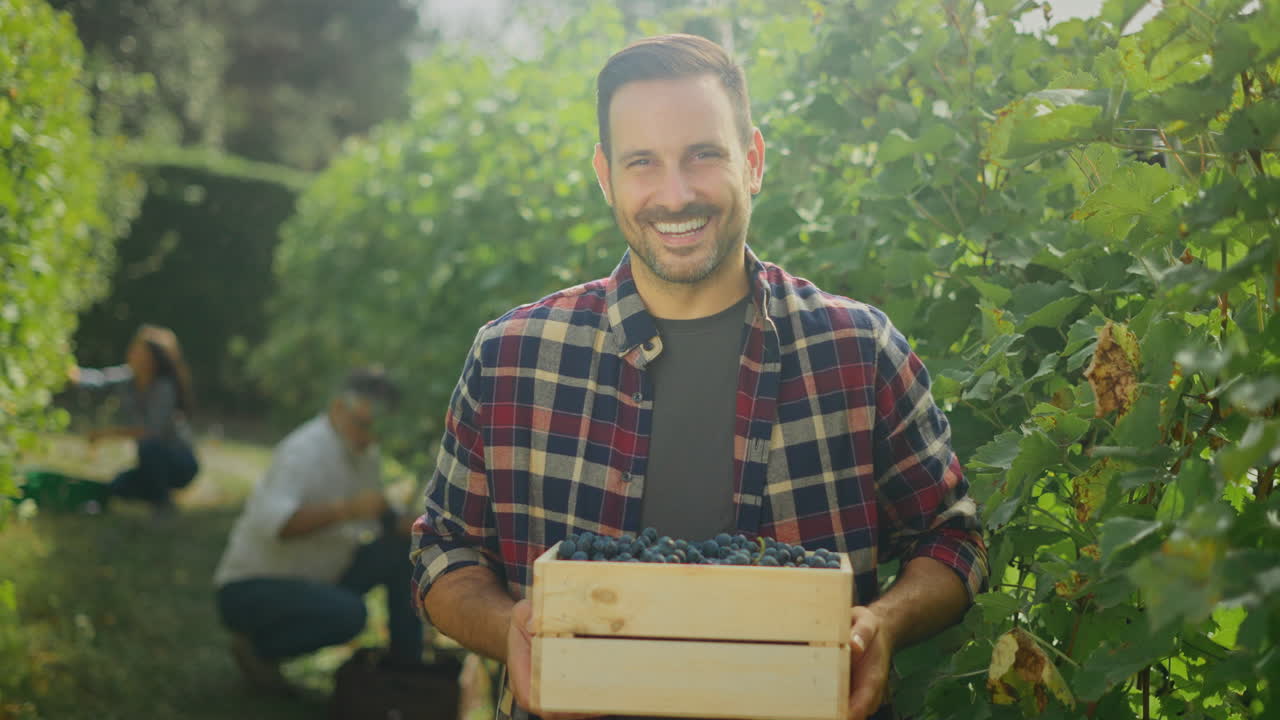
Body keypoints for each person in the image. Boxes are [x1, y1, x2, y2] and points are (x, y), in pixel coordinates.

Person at [411, 34, 988, 720]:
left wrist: (884, 622)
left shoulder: (857, 352)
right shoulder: (512, 357)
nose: (675, 193)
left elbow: (953, 536)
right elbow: (444, 550)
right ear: (606, 177)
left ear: (754, 161)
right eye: (642, 163)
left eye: (704, 155)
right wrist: (509, 631)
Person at [214, 368, 425, 695]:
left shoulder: (364, 453)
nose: (369, 438)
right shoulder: (303, 451)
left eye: (376, 429)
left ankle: (406, 672)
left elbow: (377, 517)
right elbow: (279, 525)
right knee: (349, 614)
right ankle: (258, 648)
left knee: (402, 550)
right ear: (338, 408)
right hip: (251, 588)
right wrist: (346, 510)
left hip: (321, 577)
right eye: (363, 426)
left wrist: (419, 524)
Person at [70, 323, 198, 513]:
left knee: (149, 447)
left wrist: (106, 435)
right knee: (118, 486)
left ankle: (163, 504)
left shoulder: (164, 387)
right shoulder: (128, 377)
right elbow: (98, 380)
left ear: (153, 358)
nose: (132, 353)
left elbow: (149, 432)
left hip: (180, 464)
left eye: (139, 351)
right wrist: (69, 371)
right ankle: (156, 493)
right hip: (151, 463)